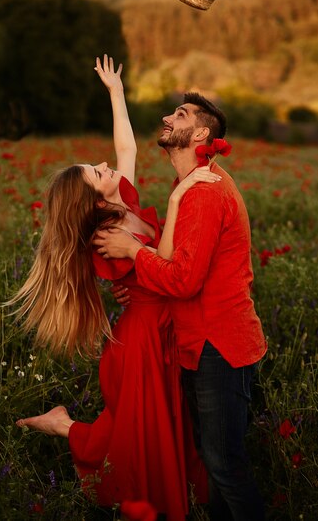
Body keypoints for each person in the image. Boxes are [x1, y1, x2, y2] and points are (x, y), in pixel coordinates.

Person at [12, 55, 221, 520]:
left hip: (161, 328)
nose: (107, 166)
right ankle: (65, 427)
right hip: (140, 341)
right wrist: (179, 195)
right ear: (92, 196)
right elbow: (163, 262)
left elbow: (124, 148)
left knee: (160, 427)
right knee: (136, 435)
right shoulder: (105, 236)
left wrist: (116, 92)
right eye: (97, 172)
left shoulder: (121, 200)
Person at [94, 93, 268, 521]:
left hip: (218, 346)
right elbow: (172, 265)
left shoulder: (204, 193)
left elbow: (183, 280)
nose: (168, 118)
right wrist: (137, 280)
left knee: (225, 466)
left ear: (201, 133)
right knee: (214, 464)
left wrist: (135, 257)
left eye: (181, 115)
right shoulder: (187, 187)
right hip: (196, 343)